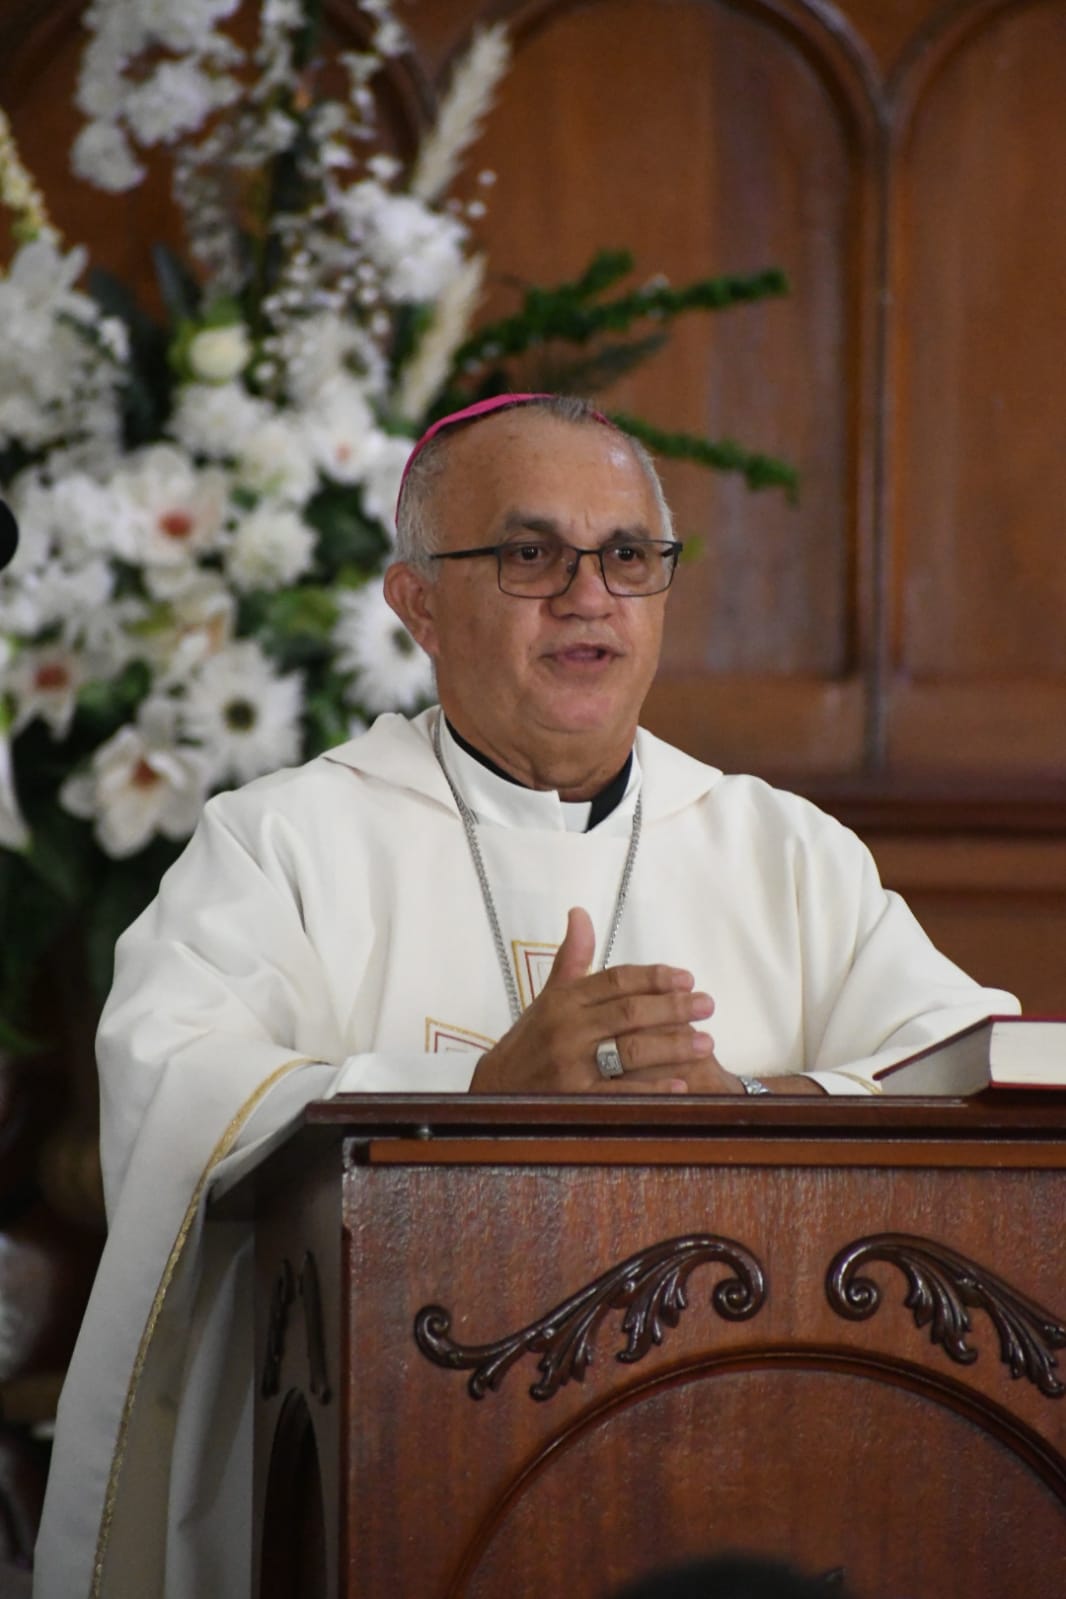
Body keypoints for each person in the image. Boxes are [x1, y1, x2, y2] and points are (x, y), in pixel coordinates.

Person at [33, 394, 1017, 1597]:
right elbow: (170, 1084)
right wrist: (474, 1092)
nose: (588, 595)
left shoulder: (784, 852)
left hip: (761, 1476)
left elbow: (965, 1069)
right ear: (418, 605)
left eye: (628, 555)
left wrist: (754, 1106)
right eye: (529, 554)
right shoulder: (284, 844)